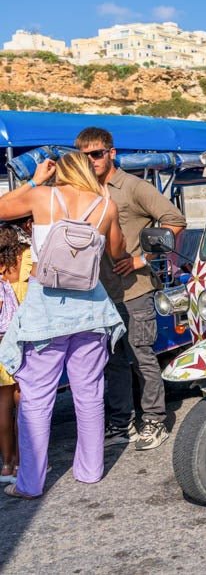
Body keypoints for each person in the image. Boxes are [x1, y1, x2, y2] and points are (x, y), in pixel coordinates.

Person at [0, 153, 126, 499]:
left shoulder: (42, 196)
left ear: (61, 172)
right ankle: (90, 471)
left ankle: (30, 483)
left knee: (37, 399)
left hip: (47, 313)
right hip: (92, 312)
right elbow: (117, 252)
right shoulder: (105, 206)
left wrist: (35, 179)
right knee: (89, 393)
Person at [75, 127, 187, 451]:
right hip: (98, 291)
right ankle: (120, 422)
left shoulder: (132, 187)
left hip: (135, 288)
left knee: (141, 356)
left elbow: (175, 220)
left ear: (111, 152)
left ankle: (154, 420)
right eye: (84, 156)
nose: (90, 160)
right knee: (110, 360)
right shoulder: (83, 191)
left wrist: (143, 259)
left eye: (96, 154)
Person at [0, 224, 30, 484]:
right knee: (24, 404)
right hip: (18, 341)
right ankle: (24, 462)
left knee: (3, 406)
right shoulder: (25, 262)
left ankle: (7, 465)